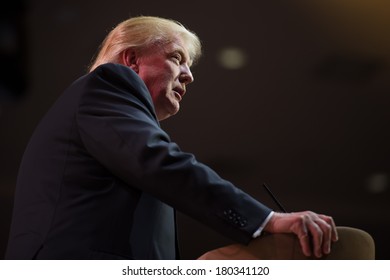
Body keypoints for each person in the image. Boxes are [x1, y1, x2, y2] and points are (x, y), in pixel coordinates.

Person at [5, 15, 338, 260]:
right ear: (131, 58)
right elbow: (158, 162)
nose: (189, 75)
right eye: (177, 58)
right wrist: (266, 219)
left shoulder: (108, 114)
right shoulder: (108, 82)